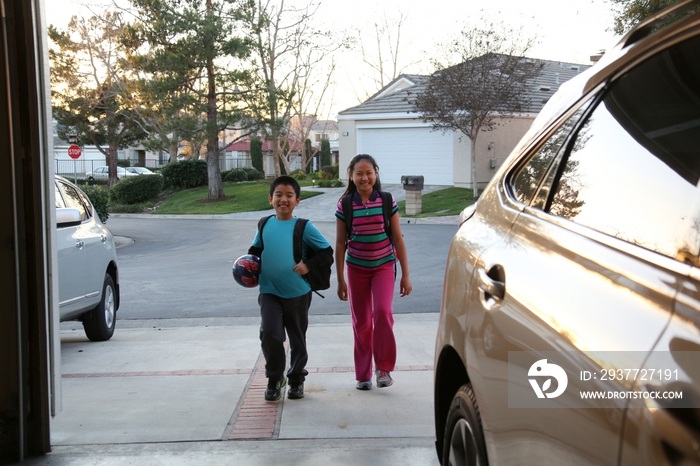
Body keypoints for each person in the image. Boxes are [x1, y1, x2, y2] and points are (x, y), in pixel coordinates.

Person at [248, 176, 333, 401]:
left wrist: (308, 265)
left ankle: (296, 379)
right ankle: (275, 378)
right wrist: (247, 268)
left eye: (289, 196)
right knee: (270, 333)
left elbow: (327, 252)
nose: (283, 200)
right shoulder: (264, 223)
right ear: (270, 199)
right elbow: (255, 251)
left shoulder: (304, 226)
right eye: (278, 195)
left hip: (297, 292)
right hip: (269, 290)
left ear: (298, 201)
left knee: (297, 338)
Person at [335, 154, 412, 390]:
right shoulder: (345, 204)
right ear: (351, 176)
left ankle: (384, 369)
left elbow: (398, 238)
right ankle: (363, 375)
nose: (364, 177)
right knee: (362, 323)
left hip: (384, 266)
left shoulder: (387, 201)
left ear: (375, 174)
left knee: (382, 312)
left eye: (369, 172)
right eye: (359, 173)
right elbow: (340, 244)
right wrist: (340, 280)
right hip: (356, 269)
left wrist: (406, 275)